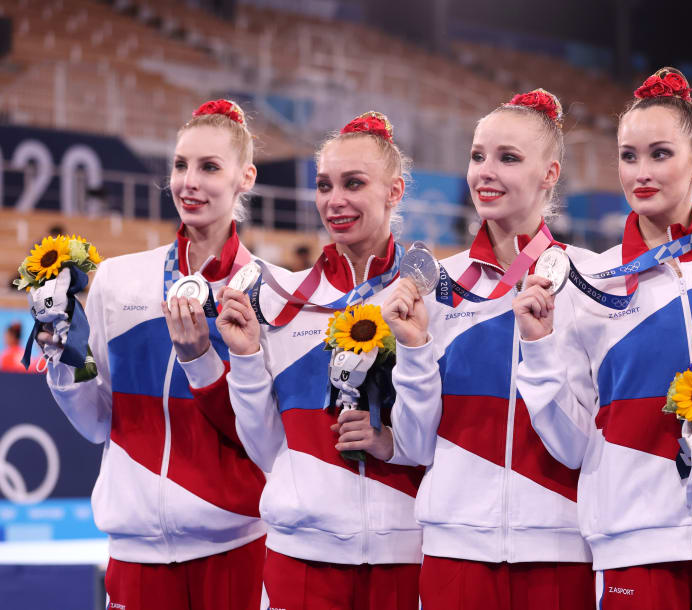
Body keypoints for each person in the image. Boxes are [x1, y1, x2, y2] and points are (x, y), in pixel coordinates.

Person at [512, 68, 692, 610]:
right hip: (634, 537)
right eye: (629, 156)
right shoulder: (588, 286)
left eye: (660, 154)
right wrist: (536, 347)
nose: (641, 173)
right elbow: (571, 444)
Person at [365, 89, 597, 610]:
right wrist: (416, 348)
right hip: (453, 552)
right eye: (477, 156)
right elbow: (416, 447)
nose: (485, 172)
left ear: (550, 174)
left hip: (559, 549)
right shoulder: (431, 287)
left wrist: (539, 350)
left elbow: (581, 449)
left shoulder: (590, 283)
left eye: (508, 158)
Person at [37, 99, 267, 609]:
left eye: (210, 167)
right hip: (135, 552)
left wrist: (200, 358)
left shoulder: (270, 292)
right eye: (181, 165)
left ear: (244, 178)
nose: (189, 182)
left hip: (235, 547)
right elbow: (98, 423)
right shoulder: (118, 280)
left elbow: (263, 436)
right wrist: (63, 357)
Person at [215, 112, 423, 610]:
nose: (335, 201)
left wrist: (392, 444)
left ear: (394, 192)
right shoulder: (281, 302)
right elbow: (264, 445)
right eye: (324, 185)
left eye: (354, 184)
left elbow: (446, 435)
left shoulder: (426, 298)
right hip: (301, 556)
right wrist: (244, 358)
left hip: (405, 553)